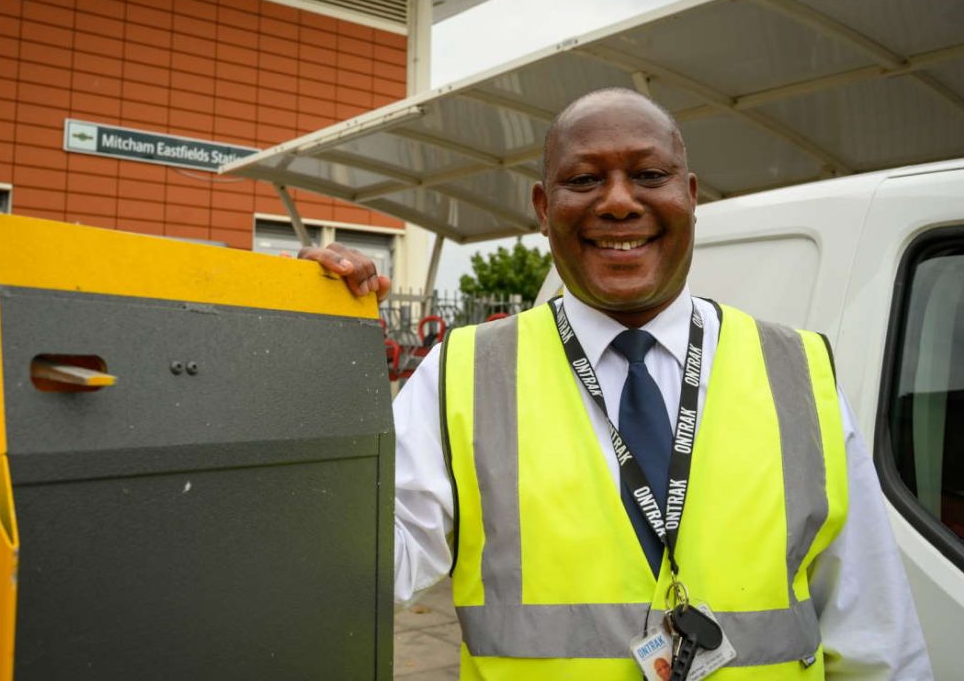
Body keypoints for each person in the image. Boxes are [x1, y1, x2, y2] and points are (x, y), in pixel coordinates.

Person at [303, 88, 932, 679]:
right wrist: (288, 350)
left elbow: (879, 639)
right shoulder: (462, 372)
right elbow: (356, 565)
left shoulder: (798, 372)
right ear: (544, 209)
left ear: (690, 196)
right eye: (584, 179)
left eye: (649, 176)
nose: (619, 201)